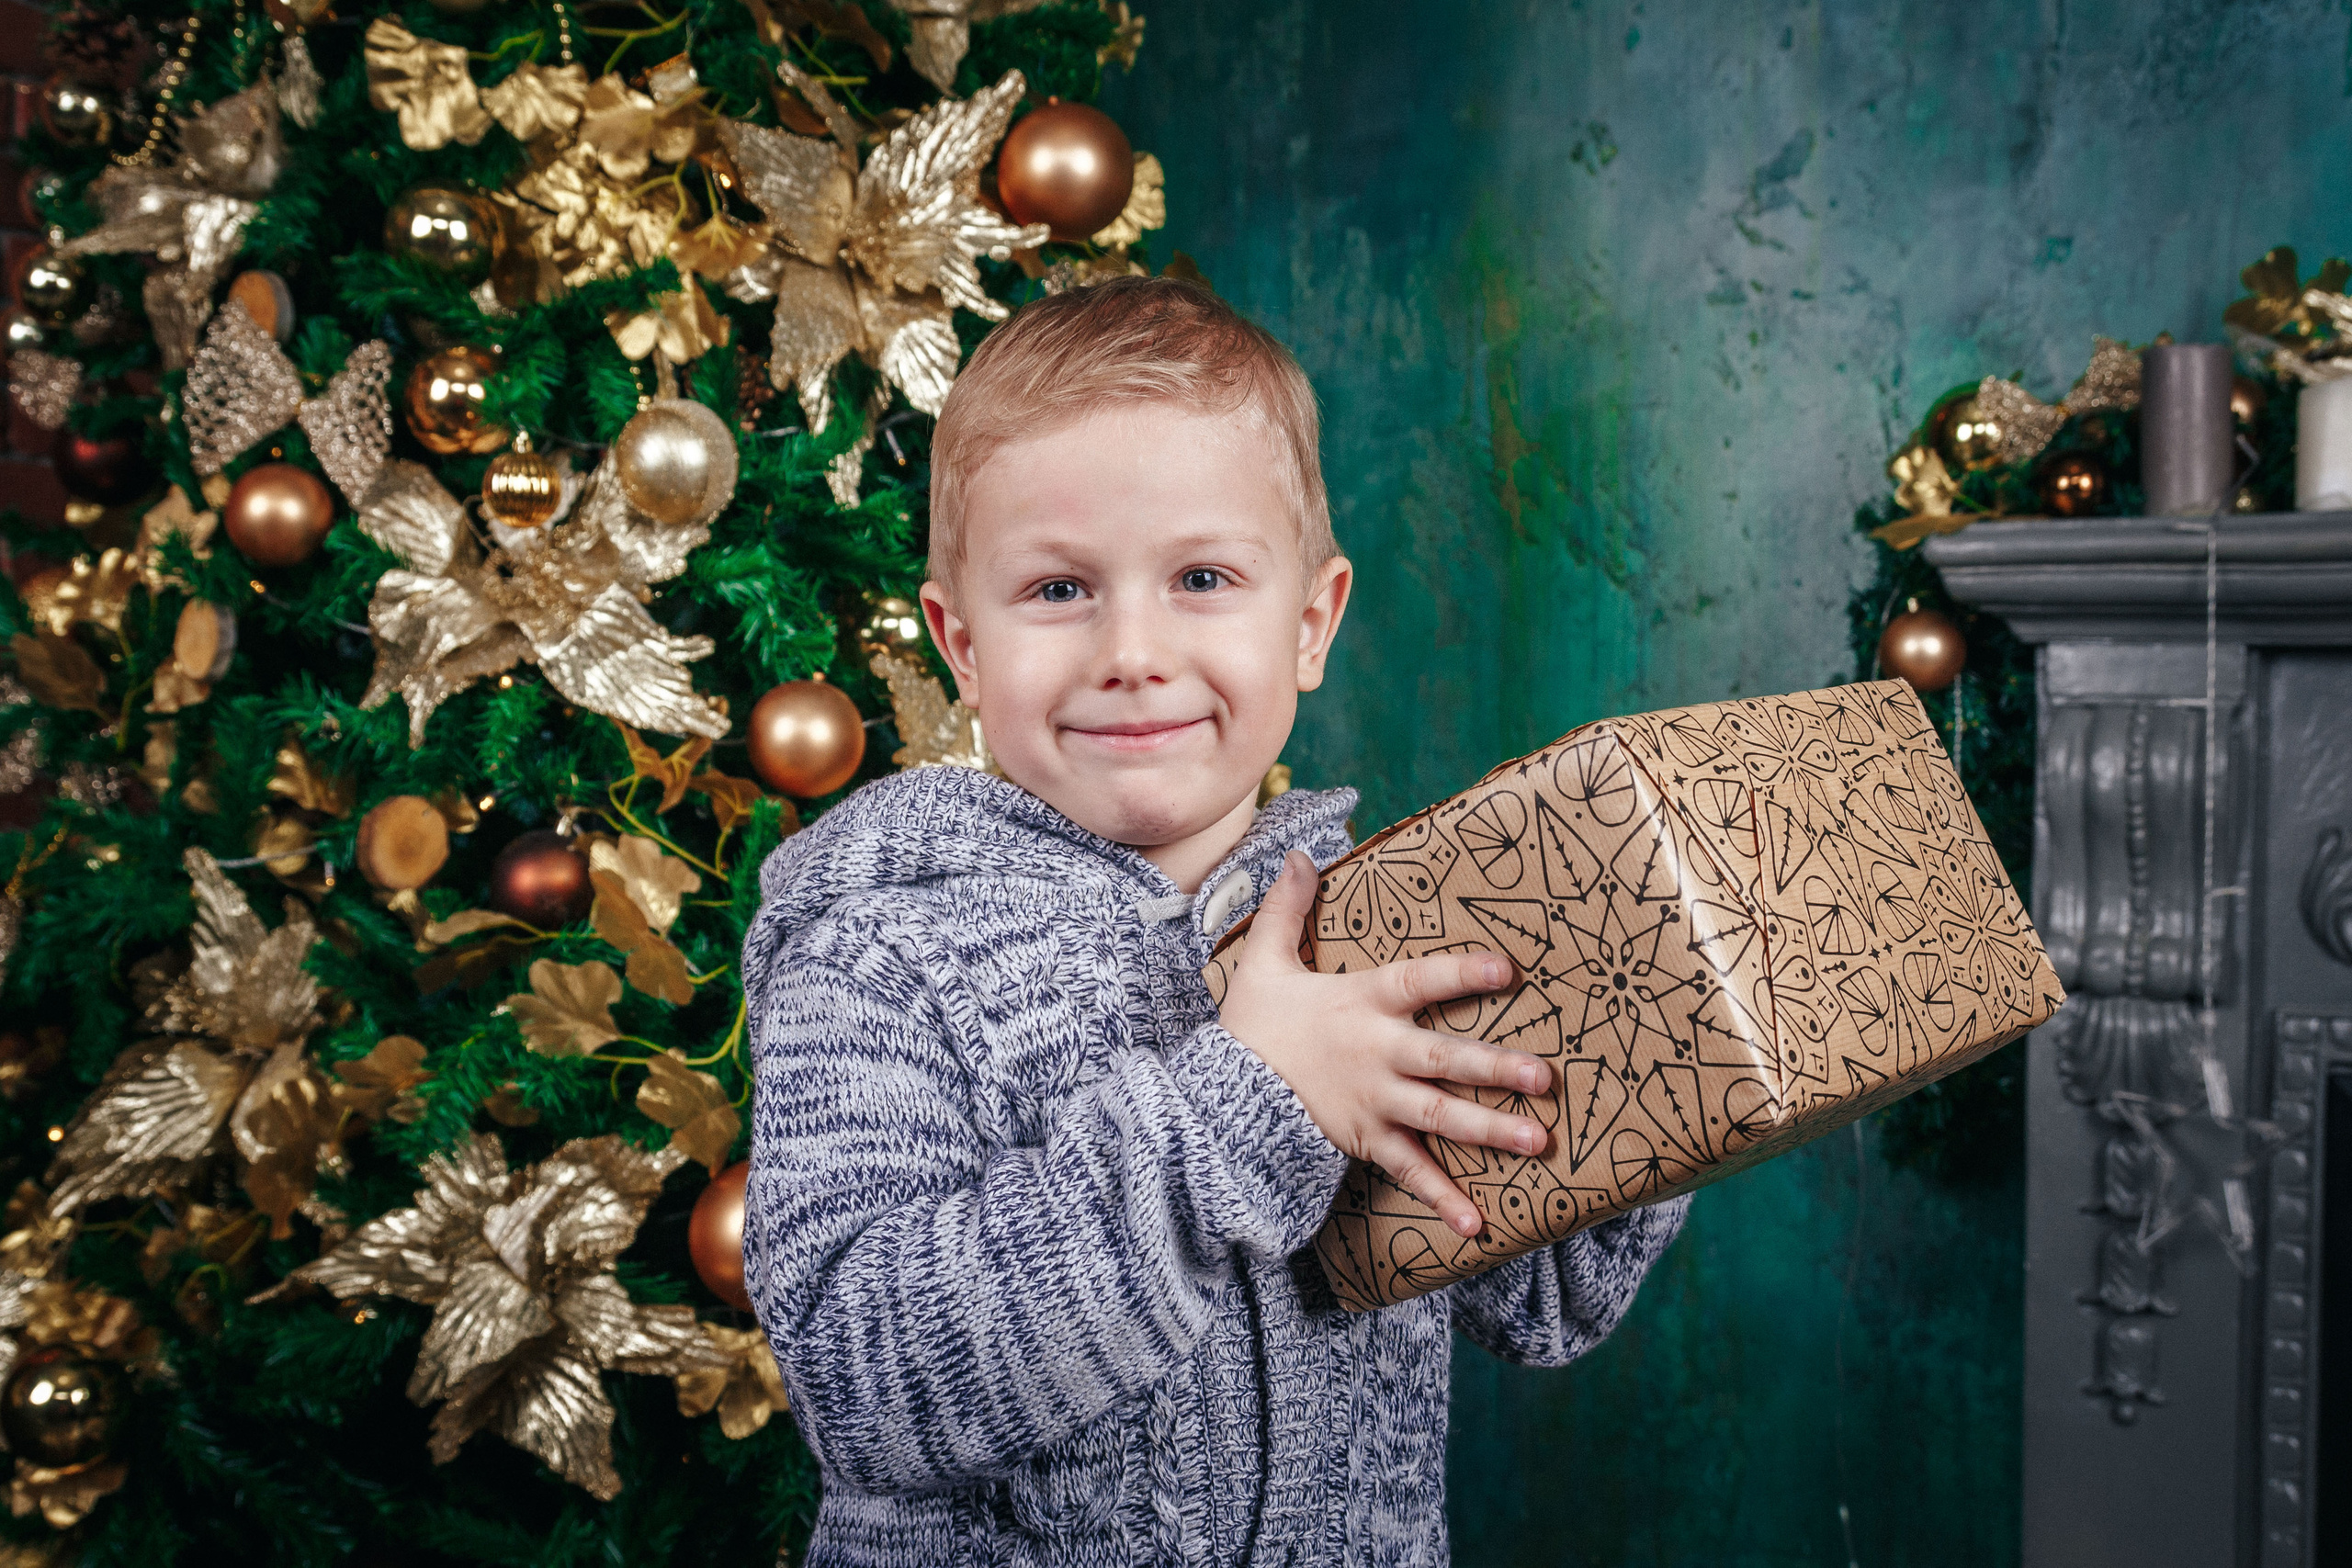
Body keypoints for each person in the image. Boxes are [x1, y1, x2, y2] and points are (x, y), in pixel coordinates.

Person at [741, 276, 1687, 1567]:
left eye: (1201, 577)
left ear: (1309, 623)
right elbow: (867, 1393)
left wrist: (1662, 1083)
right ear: (960, 646)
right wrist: (1246, 1104)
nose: (1133, 648)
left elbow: (1541, 1302)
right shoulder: (878, 952)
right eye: (1059, 591)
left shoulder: (1387, 928)